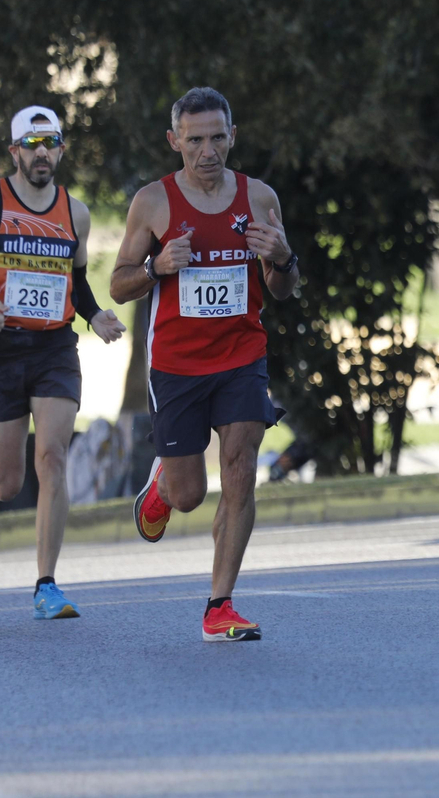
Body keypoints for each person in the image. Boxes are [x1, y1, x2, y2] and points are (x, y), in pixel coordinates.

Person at [110, 87, 299, 642]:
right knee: (189, 494)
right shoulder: (154, 202)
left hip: (242, 356)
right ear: (175, 142)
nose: (208, 150)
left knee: (240, 468)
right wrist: (156, 265)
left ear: (232, 136)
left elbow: (283, 289)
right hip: (175, 364)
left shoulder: (259, 198)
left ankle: (220, 606)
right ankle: (161, 486)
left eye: (218, 137)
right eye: (195, 140)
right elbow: (119, 285)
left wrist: (282, 258)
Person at [0, 106, 127, 619]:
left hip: (55, 349)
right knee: (8, 483)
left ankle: (46, 585)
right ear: (14, 151)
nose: (41, 152)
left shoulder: (75, 213)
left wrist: (96, 314)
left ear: (60, 148)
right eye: (31, 144)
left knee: (52, 457)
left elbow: (75, 284)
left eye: (50, 142)